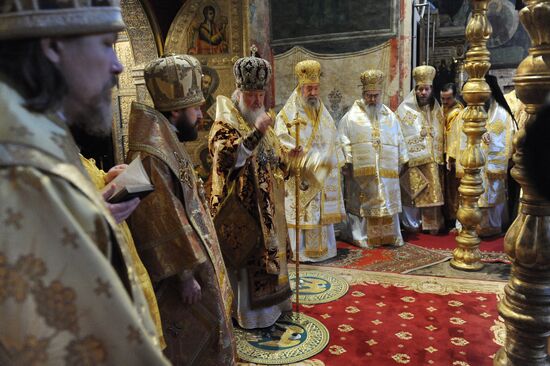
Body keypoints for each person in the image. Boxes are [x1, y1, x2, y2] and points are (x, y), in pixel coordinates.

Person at [0, 1, 168, 364]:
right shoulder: (25, 167)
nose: (118, 64)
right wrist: (95, 216)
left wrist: (96, 200)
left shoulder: (33, 128)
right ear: (53, 46)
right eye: (107, 43)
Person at [126, 54, 235, 365]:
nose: (201, 115)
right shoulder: (150, 153)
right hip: (183, 275)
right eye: (195, 108)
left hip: (197, 264)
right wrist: (185, 274)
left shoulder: (165, 139)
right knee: (191, 341)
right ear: (175, 111)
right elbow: (159, 216)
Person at [208, 47, 292, 329]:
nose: (256, 100)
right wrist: (256, 132)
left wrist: (290, 159)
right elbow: (226, 158)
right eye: (251, 95)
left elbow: (273, 156)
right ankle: (251, 318)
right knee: (249, 262)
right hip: (243, 210)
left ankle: (275, 309)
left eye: (260, 95)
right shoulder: (226, 121)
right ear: (239, 92)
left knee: (272, 258)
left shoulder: (264, 118)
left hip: (269, 207)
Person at [275, 59, 345, 262]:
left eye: (316, 88)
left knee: (319, 212)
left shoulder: (323, 113)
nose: (313, 93)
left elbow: (333, 136)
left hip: (321, 174)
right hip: (302, 174)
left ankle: (324, 251)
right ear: (300, 87)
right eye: (309, 88)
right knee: (301, 213)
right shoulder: (287, 114)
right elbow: (280, 140)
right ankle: (301, 253)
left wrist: (335, 160)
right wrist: (302, 157)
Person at [338, 70, 409, 247]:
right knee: (361, 204)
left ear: (380, 94)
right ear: (363, 94)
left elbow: (399, 138)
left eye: (376, 96)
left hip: (386, 169)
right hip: (361, 171)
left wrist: (402, 158)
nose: (372, 100)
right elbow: (343, 138)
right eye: (369, 96)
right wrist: (347, 161)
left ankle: (390, 236)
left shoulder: (390, 116)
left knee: (387, 200)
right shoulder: (351, 117)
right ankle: (361, 236)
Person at [449, 76, 516, 237]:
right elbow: (455, 137)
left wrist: (510, 157)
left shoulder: (502, 114)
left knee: (493, 192)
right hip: (472, 163)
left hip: (492, 165)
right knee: (469, 192)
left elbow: (511, 137)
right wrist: (452, 157)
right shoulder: (464, 114)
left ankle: (492, 226)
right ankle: (466, 224)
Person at [396, 65, 445, 234]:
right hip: (413, 161)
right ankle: (412, 226)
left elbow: (440, 132)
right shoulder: (404, 109)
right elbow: (400, 134)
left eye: (427, 89)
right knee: (413, 193)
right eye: (420, 89)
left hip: (432, 160)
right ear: (415, 90)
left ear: (431, 90)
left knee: (432, 193)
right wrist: (420, 136)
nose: (423, 92)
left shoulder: (437, 109)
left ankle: (431, 225)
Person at [440, 83, 465, 228]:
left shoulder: (458, 111)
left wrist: (452, 157)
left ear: (454, 96)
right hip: (442, 151)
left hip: (452, 154)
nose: (444, 102)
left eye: (448, 98)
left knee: (453, 188)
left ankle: (454, 216)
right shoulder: (442, 108)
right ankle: (447, 214)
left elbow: (455, 137)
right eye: (442, 98)